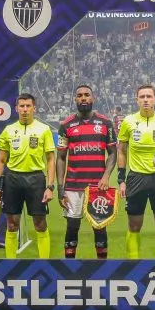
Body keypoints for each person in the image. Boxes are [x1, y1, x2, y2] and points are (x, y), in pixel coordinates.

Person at [116, 84, 155, 259]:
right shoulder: (128, 121)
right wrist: (121, 180)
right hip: (136, 178)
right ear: (136, 100)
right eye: (142, 96)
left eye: (149, 96)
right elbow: (121, 151)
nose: (145, 100)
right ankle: (133, 265)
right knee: (134, 224)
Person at [56, 84, 117, 259]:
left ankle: (102, 266)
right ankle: (69, 266)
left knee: (100, 227)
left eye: (87, 95)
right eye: (80, 95)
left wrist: (106, 176)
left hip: (98, 187)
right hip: (73, 186)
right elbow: (61, 158)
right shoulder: (66, 125)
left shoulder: (105, 123)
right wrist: (60, 188)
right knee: (72, 227)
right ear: (75, 99)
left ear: (93, 98)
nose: (83, 98)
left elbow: (113, 153)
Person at [0, 93, 56, 259]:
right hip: (12, 179)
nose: (25, 109)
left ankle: (44, 263)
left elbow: (51, 160)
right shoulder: (8, 130)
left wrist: (50, 187)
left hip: (36, 180)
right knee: (12, 224)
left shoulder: (44, 129)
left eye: (28, 106)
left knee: (40, 224)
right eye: (22, 106)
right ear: (16, 108)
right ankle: (10, 264)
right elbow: (1, 160)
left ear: (34, 108)